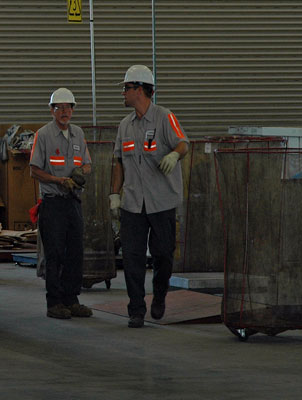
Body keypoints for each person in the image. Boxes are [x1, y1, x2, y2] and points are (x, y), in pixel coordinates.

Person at [109, 65, 189, 328]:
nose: (123, 93)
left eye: (126, 88)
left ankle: (160, 295)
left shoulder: (165, 118)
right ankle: (136, 309)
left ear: (140, 90)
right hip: (133, 202)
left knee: (163, 255)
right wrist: (114, 194)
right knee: (132, 257)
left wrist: (174, 154)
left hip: (162, 201)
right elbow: (118, 162)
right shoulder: (124, 126)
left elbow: (183, 143)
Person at [29, 88, 93, 320]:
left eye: (68, 107)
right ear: (52, 110)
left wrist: (80, 172)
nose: (65, 111)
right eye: (60, 107)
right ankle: (54, 302)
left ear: (73, 110)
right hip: (53, 203)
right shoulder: (43, 135)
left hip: (73, 202)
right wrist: (59, 181)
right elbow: (34, 170)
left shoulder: (78, 134)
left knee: (75, 252)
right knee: (55, 253)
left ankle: (71, 299)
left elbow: (87, 164)